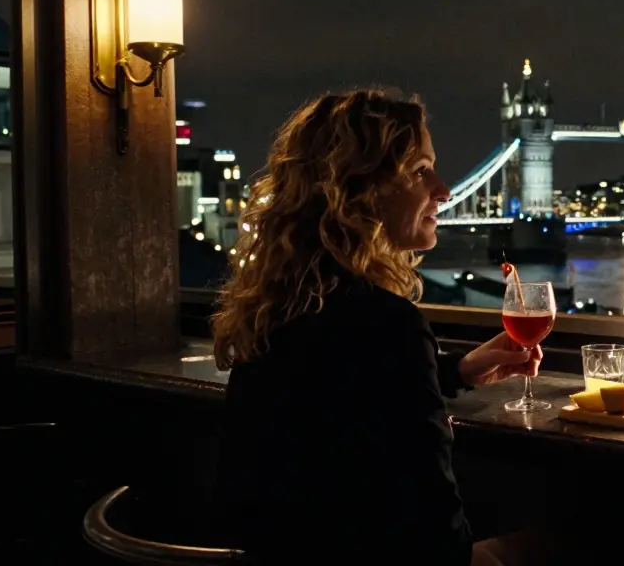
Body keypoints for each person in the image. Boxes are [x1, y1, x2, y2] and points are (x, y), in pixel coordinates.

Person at [212, 90, 539, 565]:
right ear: (359, 190)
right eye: (420, 171)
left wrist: (453, 372)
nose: (445, 190)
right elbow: (435, 538)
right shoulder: (389, 324)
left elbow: (339, 387)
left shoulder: (280, 307)